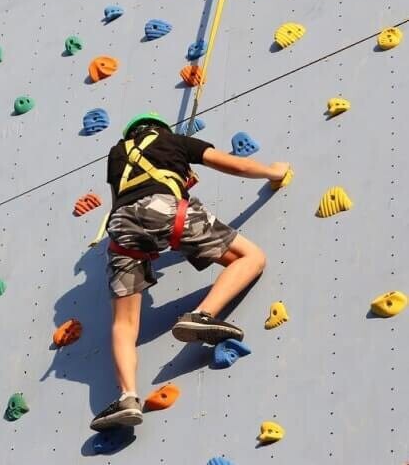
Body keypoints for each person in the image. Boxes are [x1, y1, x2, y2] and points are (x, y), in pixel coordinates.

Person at [90, 112, 290, 431]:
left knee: (124, 324)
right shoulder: (174, 140)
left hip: (122, 229)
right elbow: (233, 165)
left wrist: (177, 178)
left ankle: (127, 396)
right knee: (251, 257)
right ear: (160, 129)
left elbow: (126, 198)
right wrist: (271, 171)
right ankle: (202, 315)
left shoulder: (117, 155)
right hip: (168, 212)